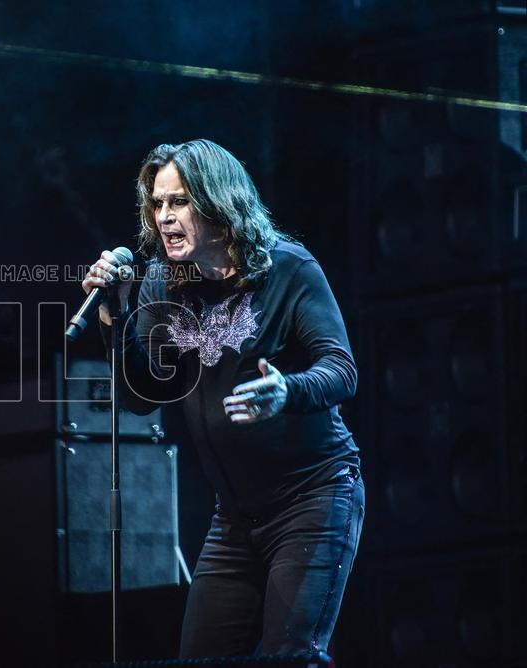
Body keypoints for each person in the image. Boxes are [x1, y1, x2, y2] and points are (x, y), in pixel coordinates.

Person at [81, 139, 364, 658]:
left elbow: (342, 370)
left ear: (218, 202)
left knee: (289, 656)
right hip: (235, 519)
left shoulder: (288, 268)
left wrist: (287, 390)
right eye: (157, 204)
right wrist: (113, 316)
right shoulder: (163, 284)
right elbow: (143, 397)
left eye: (179, 202)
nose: (164, 217)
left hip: (313, 498)